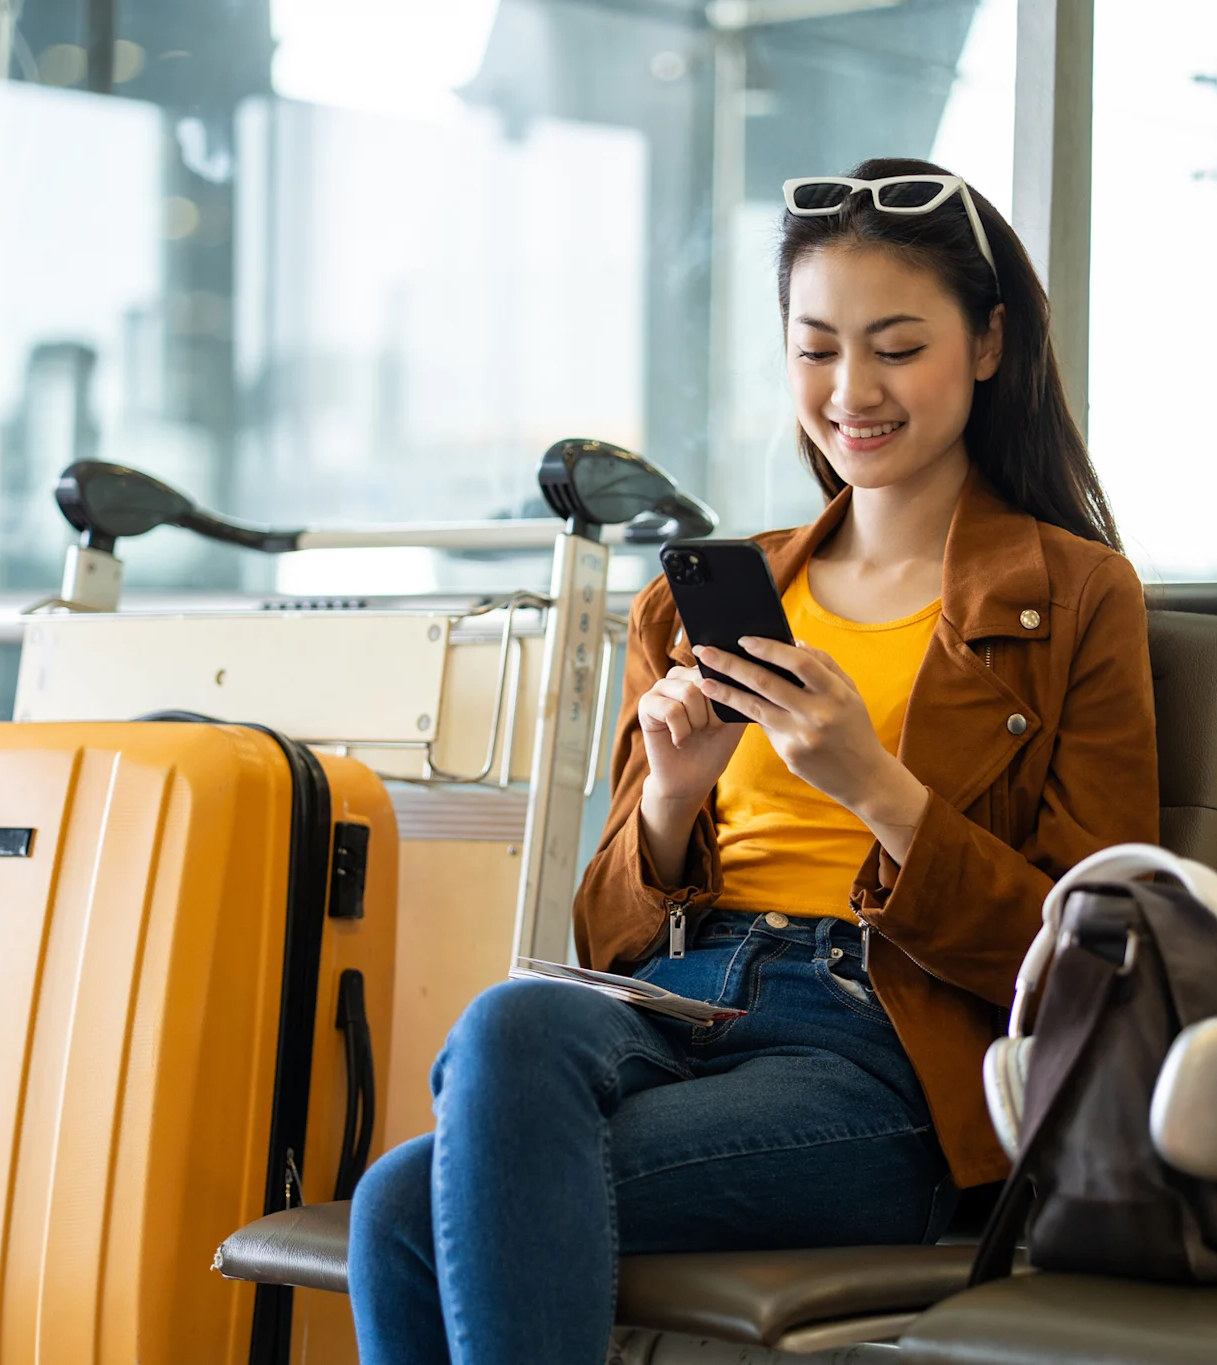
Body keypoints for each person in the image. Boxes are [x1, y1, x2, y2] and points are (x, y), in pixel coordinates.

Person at [347, 156, 1160, 1364]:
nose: (851, 391)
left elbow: (1089, 952)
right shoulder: (699, 605)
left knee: (403, 1207)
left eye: (896, 346)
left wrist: (872, 786)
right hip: (677, 1003)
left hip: (886, 1060)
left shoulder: (1074, 595)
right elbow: (603, 939)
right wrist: (672, 796)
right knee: (514, 1021)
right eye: (816, 347)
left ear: (987, 345)